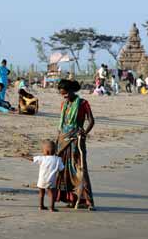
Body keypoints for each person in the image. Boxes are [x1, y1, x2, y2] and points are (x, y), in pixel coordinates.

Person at [56, 79, 95, 210]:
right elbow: (62, 125)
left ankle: (87, 201)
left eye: (66, 93)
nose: (64, 96)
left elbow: (91, 121)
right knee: (65, 169)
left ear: (72, 91)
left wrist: (84, 133)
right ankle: (71, 199)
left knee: (80, 169)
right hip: (63, 140)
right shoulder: (64, 104)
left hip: (77, 140)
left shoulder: (83, 103)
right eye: (62, 94)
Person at [23, 140, 64, 212]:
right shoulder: (58, 159)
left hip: (42, 180)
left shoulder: (42, 158)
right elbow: (61, 169)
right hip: (51, 180)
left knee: (41, 193)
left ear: (46, 151)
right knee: (52, 194)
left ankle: (41, 206)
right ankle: (52, 207)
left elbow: (32, 159)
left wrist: (24, 156)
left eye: (43, 150)